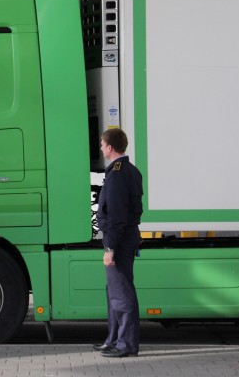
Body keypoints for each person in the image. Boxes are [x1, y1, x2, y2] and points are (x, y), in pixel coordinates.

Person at [93, 128, 143, 358]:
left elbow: (115, 216)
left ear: (110, 147)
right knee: (115, 292)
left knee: (121, 294)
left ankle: (127, 345)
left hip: (120, 242)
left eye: (103, 145)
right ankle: (114, 339)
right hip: (127, 238)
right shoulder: (130, 171)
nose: (101, 148)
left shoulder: (118, 174)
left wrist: (109, 248)